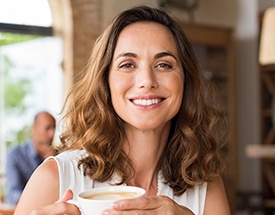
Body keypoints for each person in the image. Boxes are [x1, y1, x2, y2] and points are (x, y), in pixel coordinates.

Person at [14, 5, 230, 215]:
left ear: (185, 80)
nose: (147, 81)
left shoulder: (205, 185)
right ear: (105, 81)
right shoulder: (55, 178)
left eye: (164, 64)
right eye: (127, 64)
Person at [5, 111, 56, 205]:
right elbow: (14, 193)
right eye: (47, 128)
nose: (52, 134)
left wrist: (51, 162)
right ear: (34, 129)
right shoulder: (15, 154)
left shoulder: (57, 156)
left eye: (54, 128)